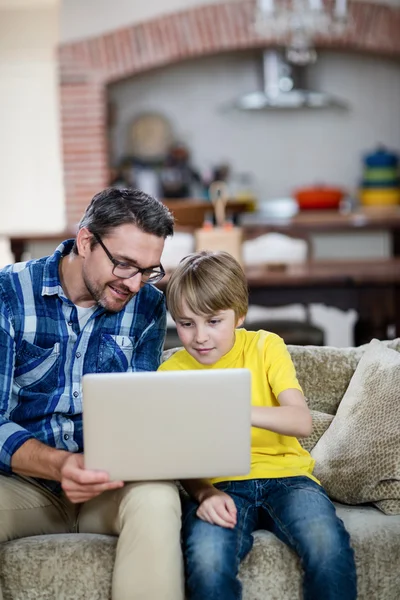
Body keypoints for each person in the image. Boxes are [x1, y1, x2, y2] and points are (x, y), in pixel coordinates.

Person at [0, 187, 184, 600]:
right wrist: (61, 465)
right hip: (22, 485)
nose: (136, 284)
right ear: (85, 242)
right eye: (124, 265)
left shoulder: (148, 307)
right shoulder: (8, 294)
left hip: (109, 485)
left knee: (156, 498)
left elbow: (140, 408)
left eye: (149, 270)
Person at [158, 250, 357, 600]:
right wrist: (204, 493)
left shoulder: (266, 346)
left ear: (239, 315)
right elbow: (178, 455)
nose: (200, 337)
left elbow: (299, 420)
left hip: (289, 480)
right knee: (206, 559)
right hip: (220, 484)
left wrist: (232, 407)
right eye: (186, 323)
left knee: (328, 546)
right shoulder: (172, 371)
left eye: (213, 321)